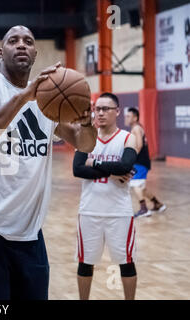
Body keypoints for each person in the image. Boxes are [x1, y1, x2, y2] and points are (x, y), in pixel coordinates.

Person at [0, 25, 97, 300]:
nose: (21, 45)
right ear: (1, 52)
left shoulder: (48, 99)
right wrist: (23, 97)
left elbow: (85, 143)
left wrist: (87, 122)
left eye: (28, 41)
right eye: (13, 40)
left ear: (35, 53)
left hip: (29, 231)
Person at [73, 92, 138, 300]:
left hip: (119, 211)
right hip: (89, 210)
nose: (99, 113)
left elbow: (126, 165)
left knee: (126, 263)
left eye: (105, 109)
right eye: (97, 109)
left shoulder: (128, 138)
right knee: (85, 263)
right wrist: (113, 171)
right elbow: (78, 170)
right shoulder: (87, 137)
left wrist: (94, 163)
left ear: (117, 111)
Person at [124, 108, 166, 218]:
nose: (126, 118)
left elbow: (139, 145)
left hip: (140, 162)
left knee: (135, 185)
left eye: (128, 116)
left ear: (135, 117)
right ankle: (157, 204)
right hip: (142, 162)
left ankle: (144, 209)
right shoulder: (137, 127)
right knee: (141, 187)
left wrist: (130, 159)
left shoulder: (136, 128)